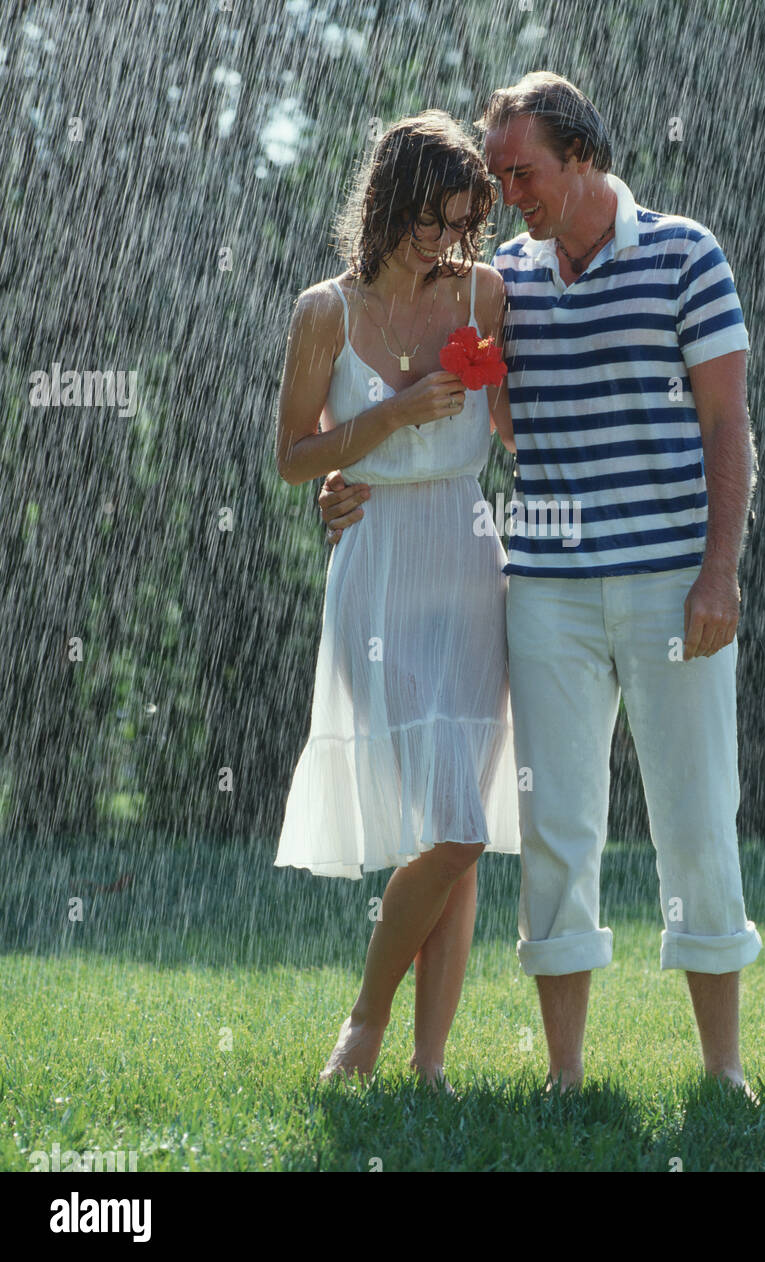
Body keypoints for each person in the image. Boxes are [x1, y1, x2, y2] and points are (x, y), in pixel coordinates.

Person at [320, 74, 763, 1100]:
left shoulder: (687, 254)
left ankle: (723, 1068)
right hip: (546, 588)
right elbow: (441, 398)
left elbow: (726, 426)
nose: (506, 188)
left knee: (697, 819)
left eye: (522, 169)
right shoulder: (501, 281)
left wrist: (720, 571)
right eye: (500, 170)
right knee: (558, 828)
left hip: (671, 582)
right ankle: (566, 1077)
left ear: (582, 157)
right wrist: (351, 476)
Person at [273, 110, 521, 1093]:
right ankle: (365, 1028)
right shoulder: (323, 312)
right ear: (387, 200)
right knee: (456, 826)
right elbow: (293, 458)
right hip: (375, 572)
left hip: (468, 568)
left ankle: (426, 1066)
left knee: (454, 834)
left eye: (462, 222)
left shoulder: (486, 294)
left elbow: (517, 428)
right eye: (432, 218)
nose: (446, 241)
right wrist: (386, 417)